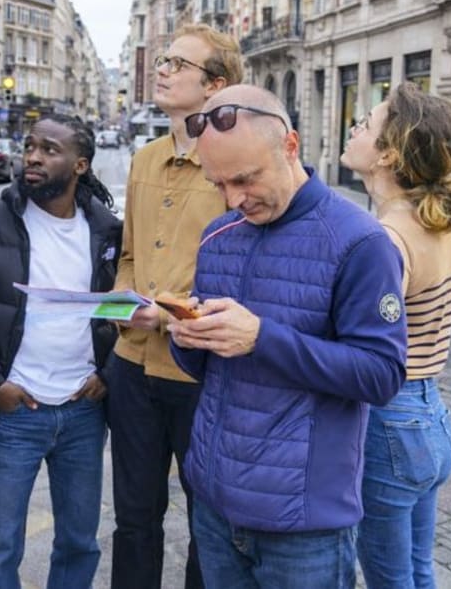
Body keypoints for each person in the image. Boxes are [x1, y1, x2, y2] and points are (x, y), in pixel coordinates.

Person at [166, 84, 408, 588]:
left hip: (304, 525)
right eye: (219, 183)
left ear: (291, 146)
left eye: (245, 179)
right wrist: (186, 339)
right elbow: (207, 370)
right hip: (214, 503)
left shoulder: (361, 242)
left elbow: (382, 375)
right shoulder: (218, 236)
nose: (234, 200)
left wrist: (261, 338)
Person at [0, 114, 122, 588]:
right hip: (11, 413)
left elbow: (131, 312)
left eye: (50, 150)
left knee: (80, 542)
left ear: (80, 164)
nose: (33, 157)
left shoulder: (108, 233)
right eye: (30, 146)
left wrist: (111, 373)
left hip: (83, 411)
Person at [109, 23, 242, 589]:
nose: (161, 69)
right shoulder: (144, 159)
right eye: (162, 59)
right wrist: (124, 307)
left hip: (200, 371)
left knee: (206, 520)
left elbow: (247, 272)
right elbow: (131, 255)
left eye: (177, 63)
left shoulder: (235, 163)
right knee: (133, 518)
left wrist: (168, 315)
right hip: (132, 365)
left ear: (215, 86)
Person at [341, 82, 451, 588]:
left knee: (389, 580)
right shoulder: (436, 222)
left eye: (367, 122)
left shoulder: (386, 238)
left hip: (391, 422)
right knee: (417, 574)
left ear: (389, 153)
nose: (355, 126)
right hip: (429, 415)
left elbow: (364, 349)